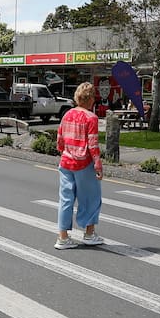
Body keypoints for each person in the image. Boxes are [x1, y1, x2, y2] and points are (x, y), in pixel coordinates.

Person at [54, 82, 104, 249]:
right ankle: (89, 234)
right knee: (91, 199)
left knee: (65, 199)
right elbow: (93, 145)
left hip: (66, 161)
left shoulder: (67, 114)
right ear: (90, 100)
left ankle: (63, 237)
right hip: (84, 163)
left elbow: (59, 140)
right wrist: (98, 165)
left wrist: (64, 151)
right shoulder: (91, 118)